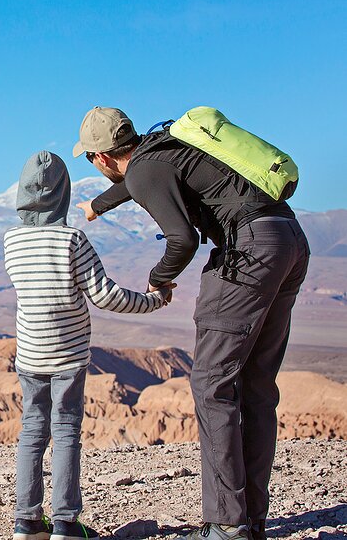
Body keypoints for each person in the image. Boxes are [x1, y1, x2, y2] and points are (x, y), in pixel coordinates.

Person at [72, 107, 310, 540]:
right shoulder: (167, 148)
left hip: (249, 251)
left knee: (211, 384)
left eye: (90, 160)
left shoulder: (145, 170)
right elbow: (144, 182)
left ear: (102, 158)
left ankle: (226, 524)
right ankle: (250, 519)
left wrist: (159, 279)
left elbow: (180, 239)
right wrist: (99, 206)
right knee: (256, 385)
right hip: (288, 240)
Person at [6, 150, 172, 540]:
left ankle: (26, 521)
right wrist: (155, 299)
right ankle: (65, 522)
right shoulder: (71, 240)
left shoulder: (11, 242)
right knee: (65, 432)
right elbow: (105, 296)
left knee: (32, 431)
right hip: (68, 357)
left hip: (30, 356)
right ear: (63, 193)